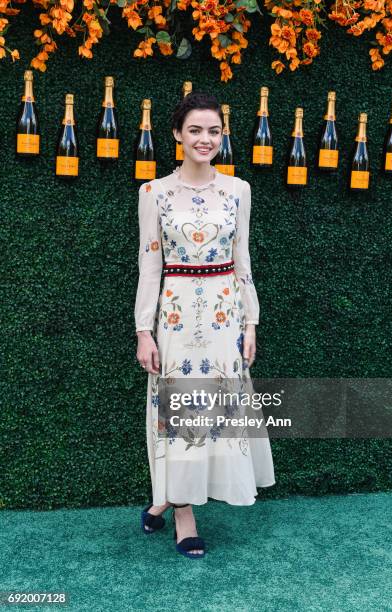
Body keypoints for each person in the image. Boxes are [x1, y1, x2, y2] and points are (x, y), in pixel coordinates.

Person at [135, 92, 275, 559]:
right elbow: (149, 267)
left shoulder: (239, 190)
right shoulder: (153, 193)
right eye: (195, 130)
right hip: (174, 317)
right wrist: (143, 330)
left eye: (213, 131)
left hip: (223, 317)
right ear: (177, 134)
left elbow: (244, 261)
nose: (205, 139)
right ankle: (182, 512)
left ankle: (161, 501)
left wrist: (251, 321)